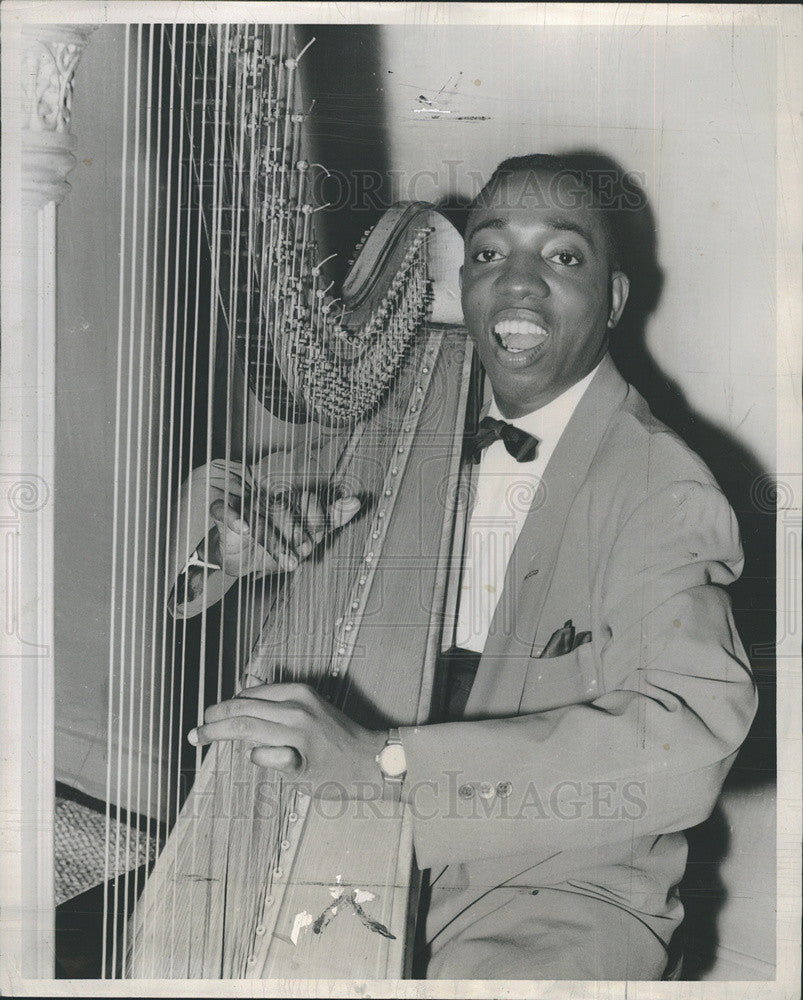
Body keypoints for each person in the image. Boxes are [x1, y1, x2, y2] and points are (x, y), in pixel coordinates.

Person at [178, 153, 757, 979]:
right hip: (360, 821)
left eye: (561, 256)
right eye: (489, 254)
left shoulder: (661, 487)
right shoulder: (419, 399)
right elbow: (229, 487)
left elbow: (688, 744)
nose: (517, 284)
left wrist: (386, 765)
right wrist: (235, 539)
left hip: (556, 885)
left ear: (615, 299)